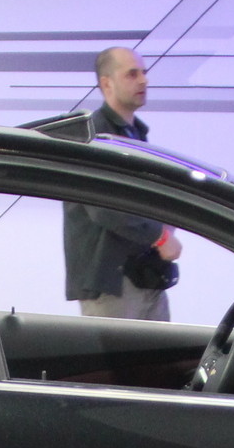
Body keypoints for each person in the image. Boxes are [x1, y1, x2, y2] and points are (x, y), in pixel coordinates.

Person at [64, 47, 181, 321]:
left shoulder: (136, 134)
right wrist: (161, 236)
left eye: (144, 72)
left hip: (146, 276)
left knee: (161, 361)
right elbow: (105, 208)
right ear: (107, 83)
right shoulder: (93, 136)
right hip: (111, 285)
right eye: (132, 74)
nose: (143, 80)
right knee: (120, 362)